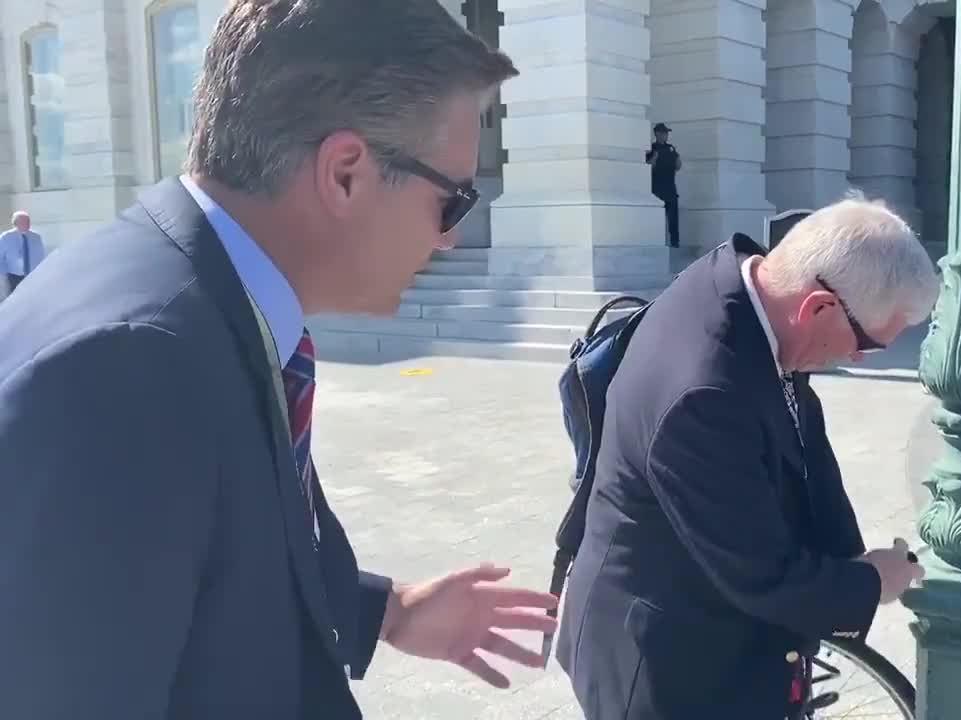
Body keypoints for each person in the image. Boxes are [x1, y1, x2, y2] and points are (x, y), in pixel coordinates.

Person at [0, 2, 557, 718]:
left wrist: (390, 613)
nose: (450, 239)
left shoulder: (204, 298)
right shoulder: (127, 367)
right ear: (347, 174)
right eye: (453, 200)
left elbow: (220, 548)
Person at [555, 196, 939, 719]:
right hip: (669, 671)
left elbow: (802, 439)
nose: (856, 358)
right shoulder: (705, 392)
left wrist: (845, 556)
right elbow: (763, 575)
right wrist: (873, 582)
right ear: (819, 307)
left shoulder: (752, 285)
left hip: (703, 621)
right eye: (866, 344)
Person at [645, 122, 681, 248]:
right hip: (657, 188)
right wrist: (654, 158)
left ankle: (675, 242)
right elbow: (648, 166)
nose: (665, 135)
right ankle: (656, 241)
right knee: (657, 217)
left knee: (673, 217)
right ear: (657, 134)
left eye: (666, 133)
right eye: (663, 133)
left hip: (670, 187)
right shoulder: (652, 148)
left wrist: (678, 160)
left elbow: (678, 166)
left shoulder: (671, 148)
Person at [0, 210, 46, 293]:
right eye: (24, 222)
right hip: (13, 277)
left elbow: (41, 256)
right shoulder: (6, 237)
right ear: (16, 223)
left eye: (28, 221)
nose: (27, 224)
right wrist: (4, 275)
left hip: (33, 275)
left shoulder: (36, 237)